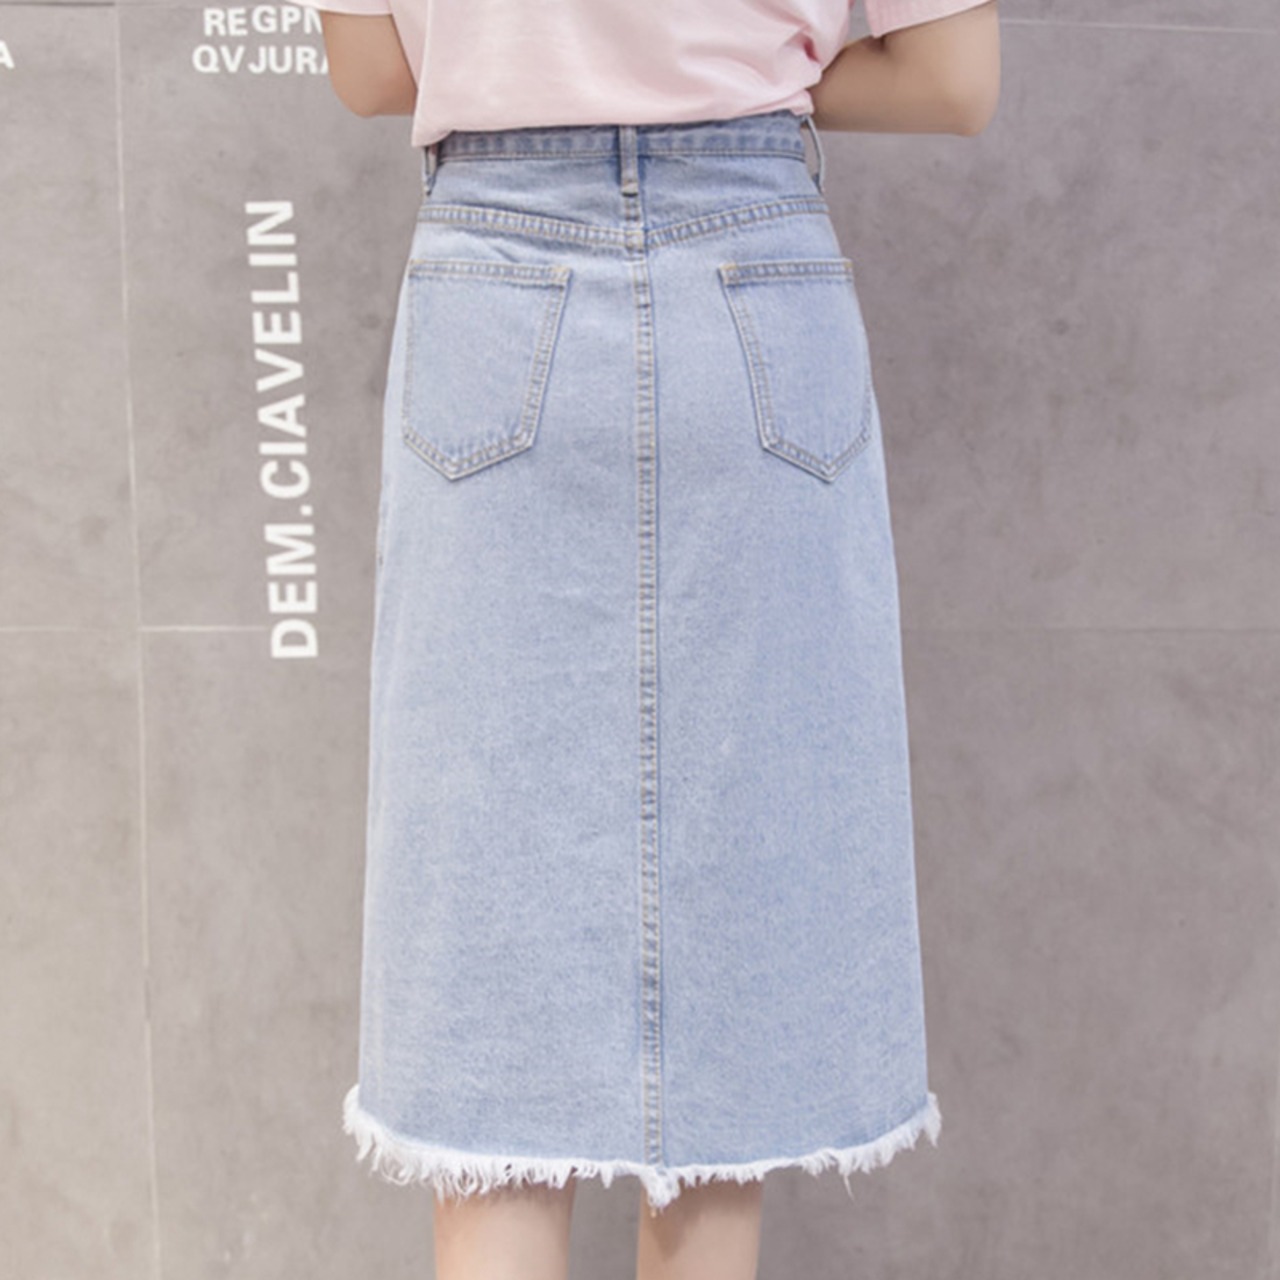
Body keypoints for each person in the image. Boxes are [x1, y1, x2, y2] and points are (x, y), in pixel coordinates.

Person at [300, 4, 1001, 1279]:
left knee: (494, 1023)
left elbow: (367, 69)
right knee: (725, 1013)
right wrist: (732, 76)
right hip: (751, 284)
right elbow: (952, 81)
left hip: (494, 286)